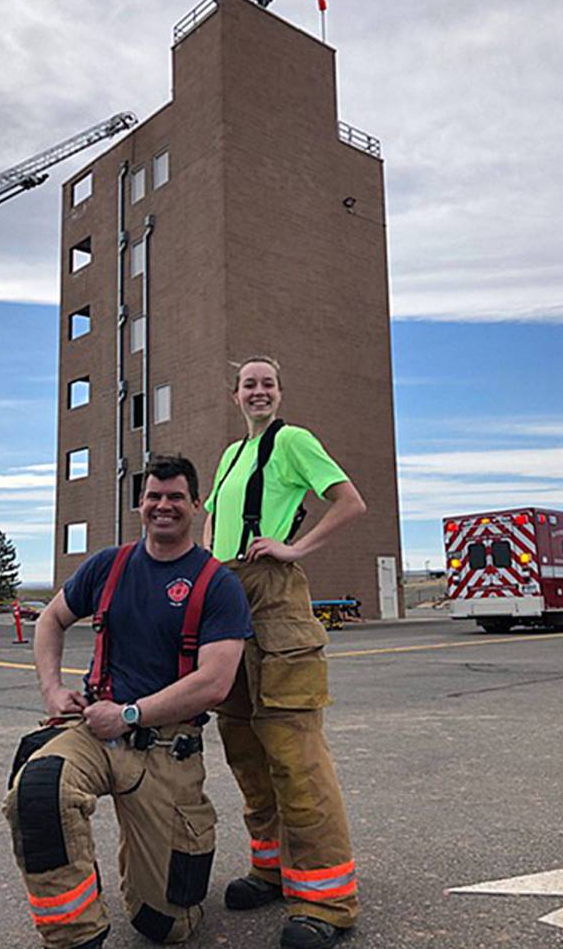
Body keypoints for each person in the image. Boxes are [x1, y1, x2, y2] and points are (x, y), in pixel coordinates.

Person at [4, 455, 252, 949]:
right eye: (154, 496)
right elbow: (49, 620)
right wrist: (52, 690)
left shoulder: (218, 584)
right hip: (96, 732)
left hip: (166, 747)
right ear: (139, 504)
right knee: (37, 790)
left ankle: (150, 875)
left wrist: (131, 714)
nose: (164, 505)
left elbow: (214, 683)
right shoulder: (106, 566)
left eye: (176, 497)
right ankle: (76, 935)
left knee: (164, 925)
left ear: (196, 505)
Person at [203, 356, 367, 949]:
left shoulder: (293, 440)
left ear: (279, 391)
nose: (258, 392)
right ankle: (271, 869)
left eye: (268, 383)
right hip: (224, 597)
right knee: (245, 747)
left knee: (295, 752)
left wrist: (296, 548)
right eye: (249, 384)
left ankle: (326, 898)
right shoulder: (229, 455)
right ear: (235, 395)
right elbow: (212, 523)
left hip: (273, 597)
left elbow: (350, 501)